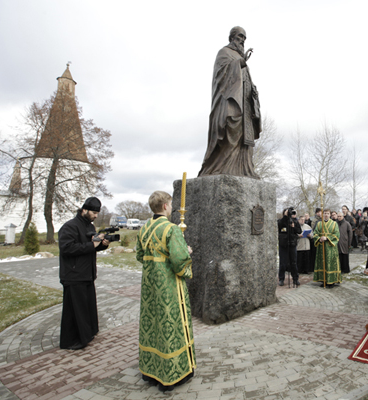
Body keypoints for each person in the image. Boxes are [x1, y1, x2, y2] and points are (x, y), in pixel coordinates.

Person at [137, 191, 196, 392]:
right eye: (171, 205)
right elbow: (179, 260)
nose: (171, 208)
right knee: (172, 323)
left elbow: (139, 255)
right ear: (165, 206)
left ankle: (150, 371)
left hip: (149, 286)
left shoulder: (143, 228)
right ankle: (174, 373)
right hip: (169, 286)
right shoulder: (171, 229)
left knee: (152, 323)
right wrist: (187, 253)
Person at [198, 26, 261, 178]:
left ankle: (244, 170)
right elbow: (220, 75)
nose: (242, 41)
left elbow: (246, 81)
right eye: (240, 37)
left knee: (245, 137)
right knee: (231, 130)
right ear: (232, 37)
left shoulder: (241, 58)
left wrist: (253, 92)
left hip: (245, 105)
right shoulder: (224, 53)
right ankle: (221, 167)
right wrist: (239, 63)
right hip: (230, 103)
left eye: (244, 38)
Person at [58, 197, 109, 350]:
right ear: (84, 210)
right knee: (75, 311)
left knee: (87, 308)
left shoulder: (90, 227)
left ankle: (88, 334)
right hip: (74, 275)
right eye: (93, 212)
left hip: (87, 274)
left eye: (97, 213)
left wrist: (101, 245)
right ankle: (72, 340)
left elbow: (91, 248)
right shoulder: (69, 227)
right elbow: (66, 248)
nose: (95, 216)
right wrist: (91, 244)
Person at [313, 209, 341, 287]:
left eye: (328, 213)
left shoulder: (334, 223)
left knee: (330, 263)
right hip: (321, 247)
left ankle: (332, 281)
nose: (326, 215)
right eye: (325, 213)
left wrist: (327, 238)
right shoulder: (319, 224)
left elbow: (336, 235)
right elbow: (315, 234)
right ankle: (323, 280)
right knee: (322, 263)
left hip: (330, 247)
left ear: (330, 215)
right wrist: (319, 238)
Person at [278, 208, 301, 286]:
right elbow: (279, 226)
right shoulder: (281, 221)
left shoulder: (295, 221)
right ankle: (281, 279)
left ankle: (295, 278)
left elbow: (299, 231)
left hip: (292, 244)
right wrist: (285, 217)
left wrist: (293, 227)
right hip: (283, 245)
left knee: (293, 262)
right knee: (283, 263)